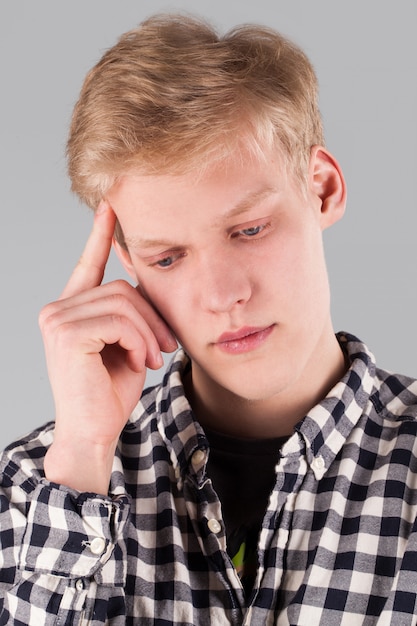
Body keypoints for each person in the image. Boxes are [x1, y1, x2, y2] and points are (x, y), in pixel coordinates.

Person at [1, 11, 416, 626]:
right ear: (129, 264)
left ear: (322, 188)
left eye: (249, 230)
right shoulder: (35, 488)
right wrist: (82, 457)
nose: (223, 295)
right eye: (167, 257)